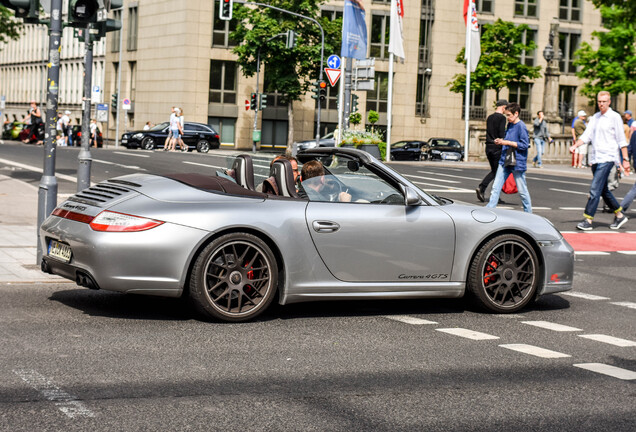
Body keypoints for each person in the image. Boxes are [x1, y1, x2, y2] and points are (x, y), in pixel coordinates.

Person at [569, 91, 631, 230]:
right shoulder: (595, 117)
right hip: (595, 158)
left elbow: (622, 140)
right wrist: (575, 145)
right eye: (599, 101)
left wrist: (625, 159)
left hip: (608, 157)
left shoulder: (614, 117)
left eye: (604, 101)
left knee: (595, 189)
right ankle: (620, 215)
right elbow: (586, 135)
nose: (601, 104)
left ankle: (588, 220)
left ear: (609, 102)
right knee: (603, 190)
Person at [486, 102, 532, 213]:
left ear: (516, 113)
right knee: (496, 187)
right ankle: (489, 209)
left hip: (517, 162)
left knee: (522, 190)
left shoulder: (521, 126)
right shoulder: (510, 125)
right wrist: (501, 142)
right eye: (506, 115)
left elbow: (525, 145)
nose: (507, 118)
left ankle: (528, 212)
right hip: (505, 160)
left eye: (509, 115)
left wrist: (506, 142)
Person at [476, 99, 508, 202]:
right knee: (497, 172)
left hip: (488, 147)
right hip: (497, 147)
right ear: (503, 107)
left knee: (495, 171)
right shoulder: (502, 118)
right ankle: (482, 187)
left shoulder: (490, 117)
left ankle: (495, 196)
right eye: (506, 108)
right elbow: (501, 134)